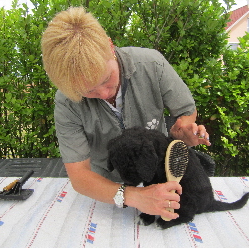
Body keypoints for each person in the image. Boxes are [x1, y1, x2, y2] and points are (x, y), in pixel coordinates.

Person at [41, 6, 211, 220]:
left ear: (110, 47)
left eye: (106, 79)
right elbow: (80, 175)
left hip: (158, 176)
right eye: (88, 91)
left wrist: (184, 130)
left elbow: (186, 111)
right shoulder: (67, 102)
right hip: (105, 189)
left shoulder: (152, 65)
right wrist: (132, 196)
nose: (103, 93)